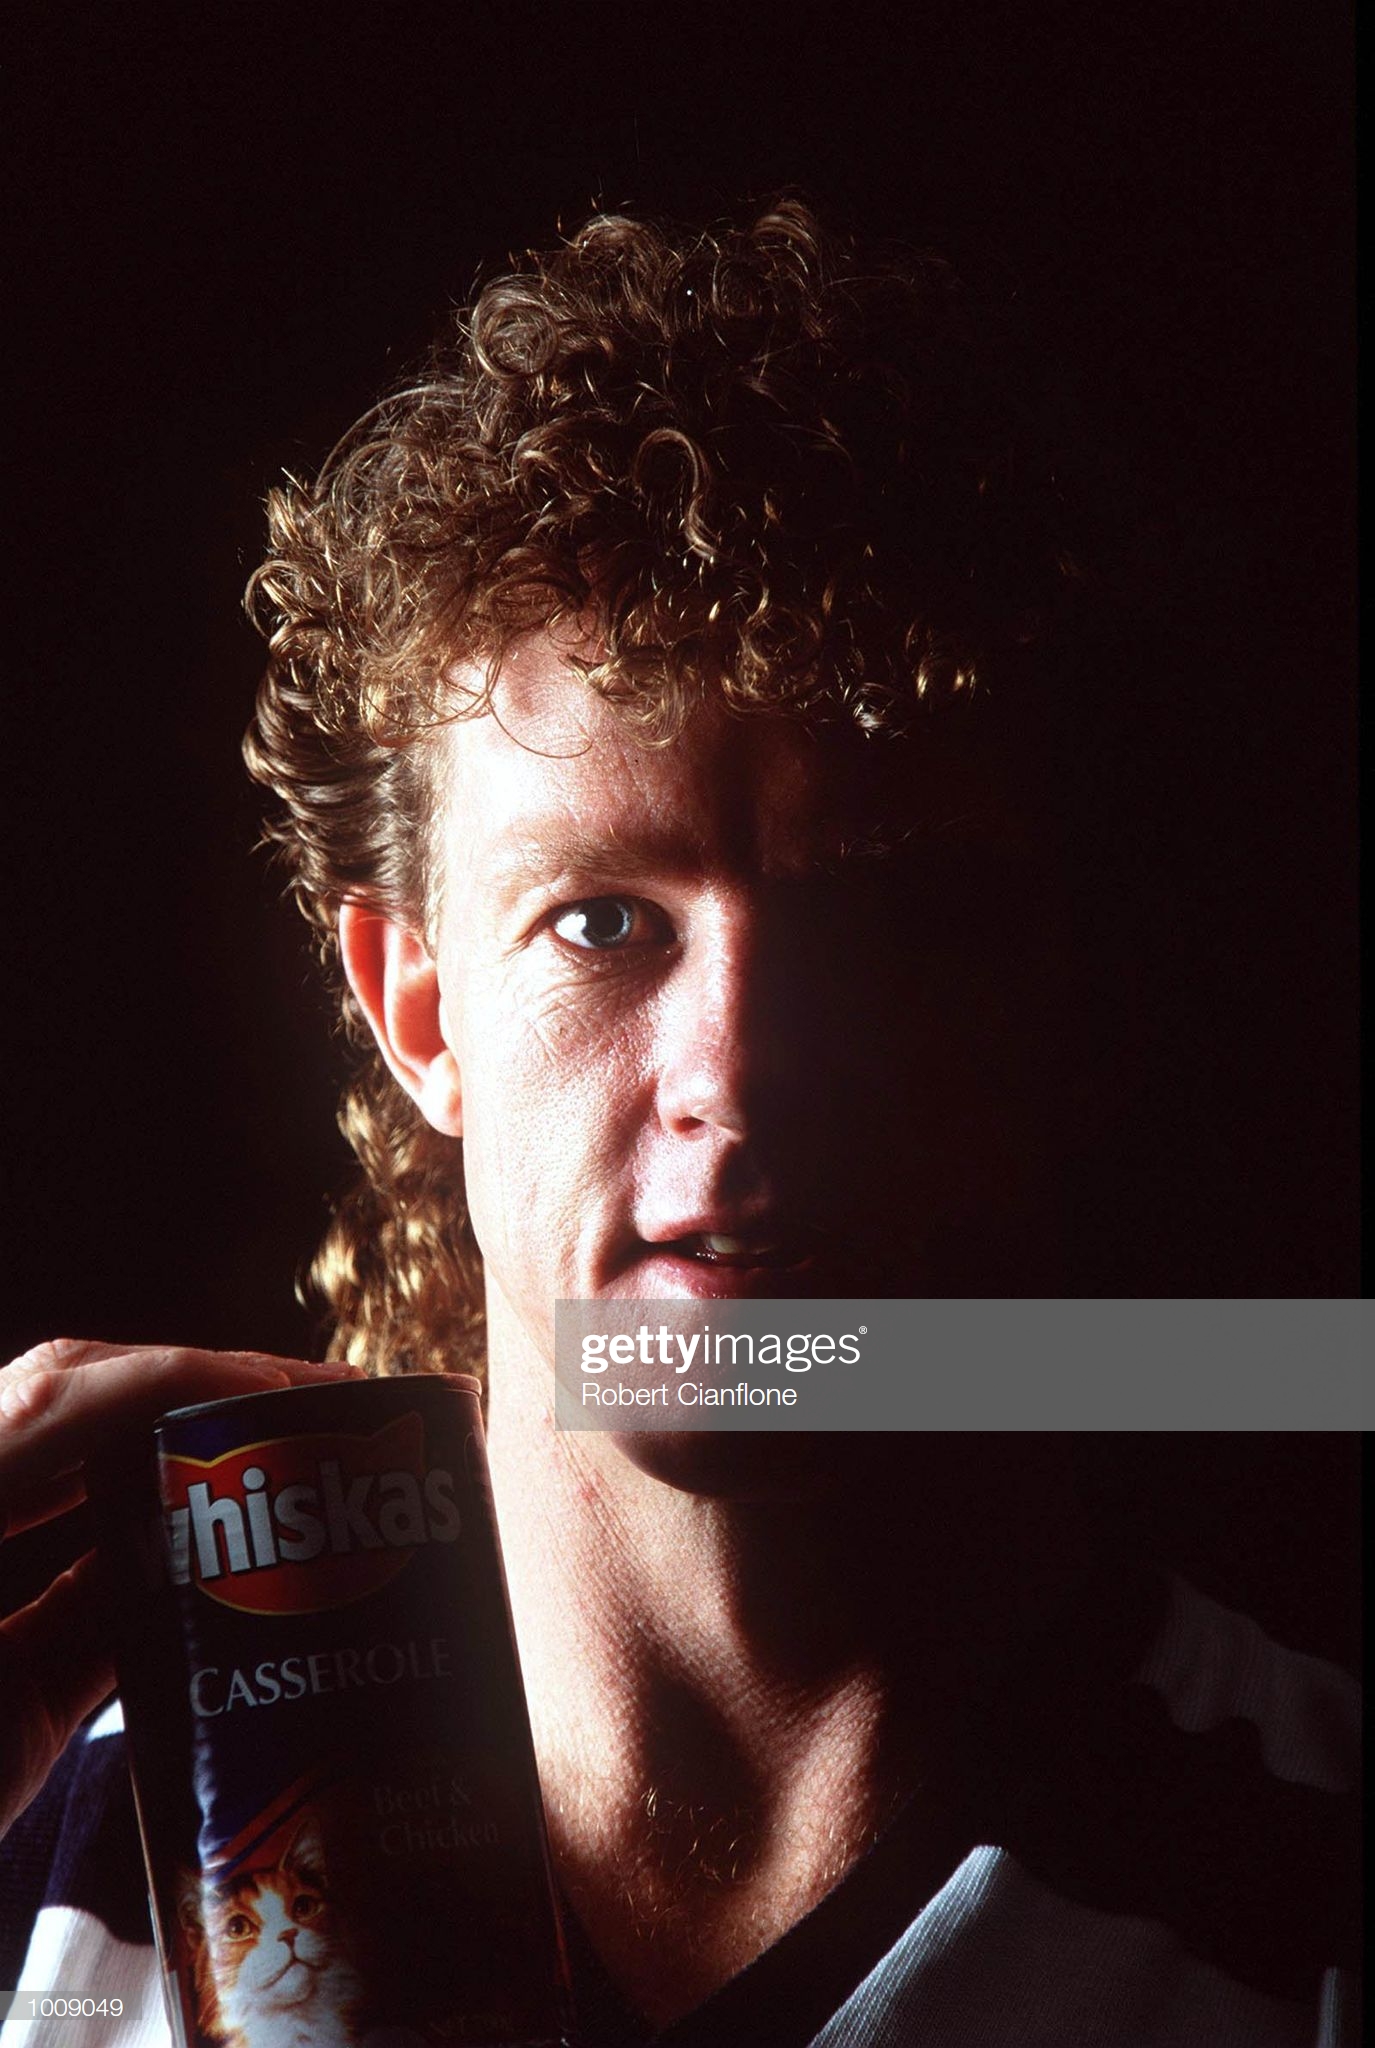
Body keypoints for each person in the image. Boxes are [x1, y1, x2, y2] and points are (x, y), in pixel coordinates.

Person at [0, 203, 1358, 2046]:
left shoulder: (1324, 1883)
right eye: (603, 923)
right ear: (421, 1013)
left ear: (1066, 988)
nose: (746, 1069)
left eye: (890, 922)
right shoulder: (54, 1857)